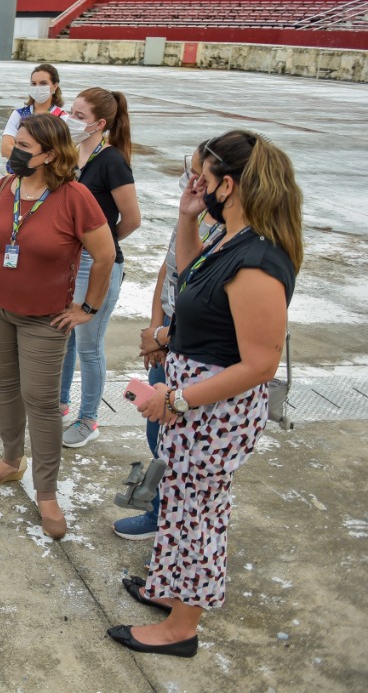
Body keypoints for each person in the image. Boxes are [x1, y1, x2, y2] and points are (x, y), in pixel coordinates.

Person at [109, 130, 301, 658]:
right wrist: (188, 216)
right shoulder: (227, 236)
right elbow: (189, 275)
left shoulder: (258, 261)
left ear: (228, 185)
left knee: (199, 517)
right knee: (178, 502)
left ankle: (182, 628)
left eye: (200, 176)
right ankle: (169, 590)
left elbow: (260, 364)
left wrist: (178, 399)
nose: (192, 183)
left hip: (214, 411)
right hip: (194, 401)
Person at [0, 113, 114, 540]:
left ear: (50, 155)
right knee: (6, 386)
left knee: (42, 401)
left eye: (24, 147)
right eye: (16, 143)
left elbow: (105, 255)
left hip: (44, 319)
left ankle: (46, 492)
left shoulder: (75, 197)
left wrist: (88, 307)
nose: (14, 151)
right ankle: (11, 460)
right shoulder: (5, 187)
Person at [115, 143, 222, 541]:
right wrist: (155, 332)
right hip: (168, 344)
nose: (189, 180)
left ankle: (174, 530)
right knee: (157, 433)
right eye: (188, 170)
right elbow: (168, 271)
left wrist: (164, 336)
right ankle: (161, 513)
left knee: (185, 450)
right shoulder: (192, 214)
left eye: (198, 174)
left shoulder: (233, 236)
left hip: (194, 352)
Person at [59, 87, 141, 448]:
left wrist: (102, 245)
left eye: (80, 117)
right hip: (68, 261)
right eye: (71, 112)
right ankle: (60, 403)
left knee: (88, 345)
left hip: (96, 264)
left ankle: (88, 419)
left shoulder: (112, 161)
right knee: (64, 335)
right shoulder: (70, 153)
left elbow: (132, 219)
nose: (71, 120)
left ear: (100, 124)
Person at [0, 63, 65, 159]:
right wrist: (38, 159)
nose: (37, 87)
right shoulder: (19, 114)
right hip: (19, 169)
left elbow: (62, 153)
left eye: (43, 83)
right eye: (34, 84)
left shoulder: (62, 118)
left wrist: (22, 156)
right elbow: (5, 149)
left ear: (55, 86)